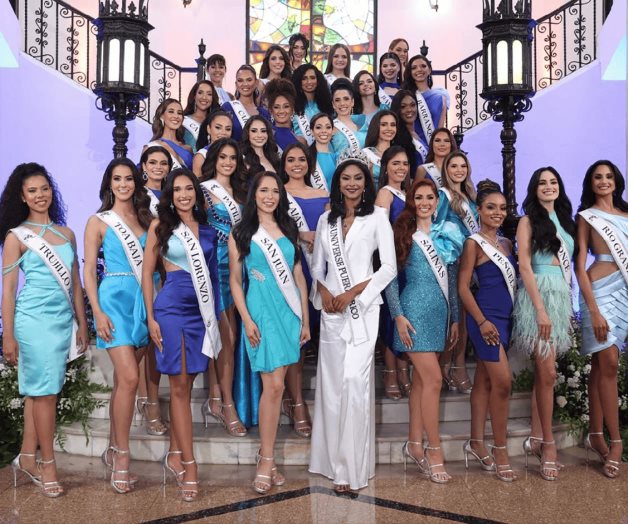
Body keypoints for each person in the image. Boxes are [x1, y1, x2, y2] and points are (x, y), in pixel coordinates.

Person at [309, 157, 397, 492]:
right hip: (332, 311)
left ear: (366, 183)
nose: (351, 184)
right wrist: (324, 292)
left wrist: (353, 293)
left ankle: (351, 469)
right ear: (338, 183)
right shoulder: (325, 220)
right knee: (332, 387)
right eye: (345, 178)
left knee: (353, 382)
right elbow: (317, 266)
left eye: (357, 178)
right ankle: (329, 462)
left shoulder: (377, 218)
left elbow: (388, 268)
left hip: (362, 310)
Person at [1, 163, 89, 498]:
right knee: (47, 394)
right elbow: (9, 291)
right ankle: (48, 464)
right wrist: (8, 335)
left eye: (45, 188)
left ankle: (26, 456)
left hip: (62, 321)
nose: (40, 195)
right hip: (33, 322)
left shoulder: (66, 234)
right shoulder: (16, 237)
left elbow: (75, 284)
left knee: (38, 393)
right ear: (22, 197)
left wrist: (82, 323)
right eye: (32, 191)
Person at [142, 169, 221, 502]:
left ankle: (175, 453)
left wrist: (216, 319)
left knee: (187, 385)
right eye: (178, 190)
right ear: (170, 196)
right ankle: (190, 466)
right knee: (177, 385)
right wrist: (150, 318)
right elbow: (147, 274)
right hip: (171, 310)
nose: (184, 194)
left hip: (200, 312)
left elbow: (213, 278)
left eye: (189, 188)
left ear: (196, 194)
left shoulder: (209, 230)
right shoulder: (160, 227)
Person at [229, 171, 310, 493]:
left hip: (289, 313)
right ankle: (265, 458)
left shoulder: (288, 228)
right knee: (274, 386)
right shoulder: (242, 232)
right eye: (264, 190)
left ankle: (269, 459)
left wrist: (305, 319)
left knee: (277, 386)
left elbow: (298, 275)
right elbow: (236, 281)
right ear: (254, 195)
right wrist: (246, 319)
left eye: (275, 191)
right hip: (260, 312)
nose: (269, 196)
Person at [83, 158, 153, 493]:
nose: (123, 184)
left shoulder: (146, 219)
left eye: (128, 179)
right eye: (117, 179)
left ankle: (113, 448)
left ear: (136, 183)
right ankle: (123, 457)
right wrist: (96, 311)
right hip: (113, 300)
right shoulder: (98, 221)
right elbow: (88, 271)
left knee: (122, 383)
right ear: (108, 183)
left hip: (143, 300)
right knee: (129, 378)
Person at [386, 178, 461, 484]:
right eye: (419, 197)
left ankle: (414, 444)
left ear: (437, 201)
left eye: (430, 197)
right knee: (434, 379)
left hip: (439, 314)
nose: (425, 202)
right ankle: (434, 450)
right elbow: (390, 278)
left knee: (420, 383)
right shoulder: (404, 233)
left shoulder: (447, 233)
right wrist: (398, 316)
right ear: (412, 201)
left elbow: (452, 282)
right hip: (412, 313)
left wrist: (455, 318)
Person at [511, 167, 576, 481]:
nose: (548, 186)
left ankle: (537, 438)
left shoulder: (566, 222)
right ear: (534, 189)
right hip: (537, 297)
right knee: (548, 372)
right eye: (542, 183)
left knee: (544, 373)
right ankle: (549, 446)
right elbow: (524, 265)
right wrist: (540, 310)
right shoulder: (527, 221)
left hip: (560, 297)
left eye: (553, 182)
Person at [458, 181, 518, 482]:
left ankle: (476, 442)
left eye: (503, 208)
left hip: (505, 319)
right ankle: (500, 449)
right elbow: (462, 287)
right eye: (491, 207)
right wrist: (481, 322)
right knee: (503, 383)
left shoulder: (507, 244)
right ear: (479, 211)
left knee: (483, 381)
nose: (498, 212)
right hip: (485, 320)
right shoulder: (473, 243)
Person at [575, 160, 627, 479]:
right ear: (591, 182)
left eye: (609, 176)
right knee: (608, 363)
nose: (604, 181)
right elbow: (580, 265)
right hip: (598, 292)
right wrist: (592, 309)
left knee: (600, 365)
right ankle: (616, 442)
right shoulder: (587, 217)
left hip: (625, 294)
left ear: (616, 181)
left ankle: (595, 434)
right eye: (598, 177)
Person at [199, 138, 248, 437]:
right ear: (214, 160)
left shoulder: (242, 192)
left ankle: (216, 396)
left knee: (229, 335)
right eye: (223, 157)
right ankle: (226, 404)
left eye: (232, 158)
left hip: (237, 266)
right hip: (211, 267)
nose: (228, 162)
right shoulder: (204, 191)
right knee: (223, 336)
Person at [281, 143, 329, 437]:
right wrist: (299, 233)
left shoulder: (324, 195)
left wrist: (318, 236)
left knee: (325, 336)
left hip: (322, 271)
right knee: (297, 338)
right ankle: (296, 402)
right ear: (283, 164)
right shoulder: (277, 193)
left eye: (301, 159)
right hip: (291, 269)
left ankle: (328, 403)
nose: (297, 164)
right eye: (291, 159)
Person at [434, 151, 478, 394]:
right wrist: (451, 251)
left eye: (463, 166)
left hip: (471, 260)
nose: (459, 170)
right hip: (452, 261)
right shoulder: (443, 195)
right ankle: (447, 366)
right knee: (454, 315)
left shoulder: (471, 197)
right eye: (454, 166)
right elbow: (436, 228)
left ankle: (457, 366)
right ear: (446, 170)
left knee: (464, 314)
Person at [136, 146, 172, 436]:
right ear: (144, 165)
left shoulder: (172, 196)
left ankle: (150, 396)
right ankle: (149, 401)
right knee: (145, 341)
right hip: (142, 271)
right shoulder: (138, 196)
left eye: (163, 163)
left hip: (168, 274)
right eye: (153, 162)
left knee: (157, 340)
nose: (158, 167)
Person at [374, 146, 412, 400]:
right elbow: (379, 233)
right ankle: (390, 372)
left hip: (410, 263)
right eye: (396, 163)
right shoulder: (385, 194)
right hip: (392, 262)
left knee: (405, 314)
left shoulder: (409, 194)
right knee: (391, 316)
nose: (401, 168)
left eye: (405, 163)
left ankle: (403, 369)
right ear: (386, 167)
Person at [402, 55, 449, 149]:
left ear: (429, 69)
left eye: (423, 66)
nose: (419, 70)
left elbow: (440, 128)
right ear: (410, 72)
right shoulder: (406, 96)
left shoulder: (440, 97)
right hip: (413, 145)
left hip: (432, 147)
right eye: (414, 68)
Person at [222, 65, 271, 142]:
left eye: (249, 80)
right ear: (236, 84)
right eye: (240, 80)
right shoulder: (228, 107)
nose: (245, 84)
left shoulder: (264, 113)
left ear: (256, 83)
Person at [145, 98, 194, 170]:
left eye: (179, 113)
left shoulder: (188, 148)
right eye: (171, 112)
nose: (176, 116)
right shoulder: (152, 146)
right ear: (162, 116)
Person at [291, 64, 333, 145]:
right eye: (304, 78)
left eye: (312, 78)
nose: (309, 82)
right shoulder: (292, 105)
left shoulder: (327, 104)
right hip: (300, 148)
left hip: (325, 148)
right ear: (298, 81)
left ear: (318, 80)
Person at [390, 89, 428, 168]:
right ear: (397, 109)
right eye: (403, 107)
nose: (409, 110)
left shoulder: (418, 133)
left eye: (412, 105)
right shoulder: (396, 138)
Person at [265, 78, 305, 151]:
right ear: (271, 110)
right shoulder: (266, 137)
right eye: (276, 107)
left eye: (286, 106)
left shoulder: (301, 141)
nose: (281, 111)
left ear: (292, 109)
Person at [362, 110, 398, 188]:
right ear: (376, 127)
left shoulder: (399, 154)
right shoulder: (366, 154)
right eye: (384, 125)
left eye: (393, 125)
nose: (389, 128)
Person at [330, 79, 367, 155]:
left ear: (352, 102)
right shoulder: (329, 127)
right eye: (337, 100)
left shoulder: (363, 125)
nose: (342, 103)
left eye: (346, 99)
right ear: (333, 104)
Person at [192, 110, 233, 177]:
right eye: (218, 128)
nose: (223, 132)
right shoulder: (201, 156)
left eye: (228, 129)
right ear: (209, 129)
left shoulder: (237, 153)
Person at [182, 80, 220, 150]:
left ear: (212, 98)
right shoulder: (183, 121)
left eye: (209, 94)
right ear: (194, 96)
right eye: (200, 93)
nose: (204, 97)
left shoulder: (216, 121)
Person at [309, 113, 337, 192]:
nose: (324, 131)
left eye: (328, 127)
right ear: (312, 131)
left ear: (333, 130)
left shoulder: (338, 158)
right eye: (318, 127)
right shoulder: (306, 157)